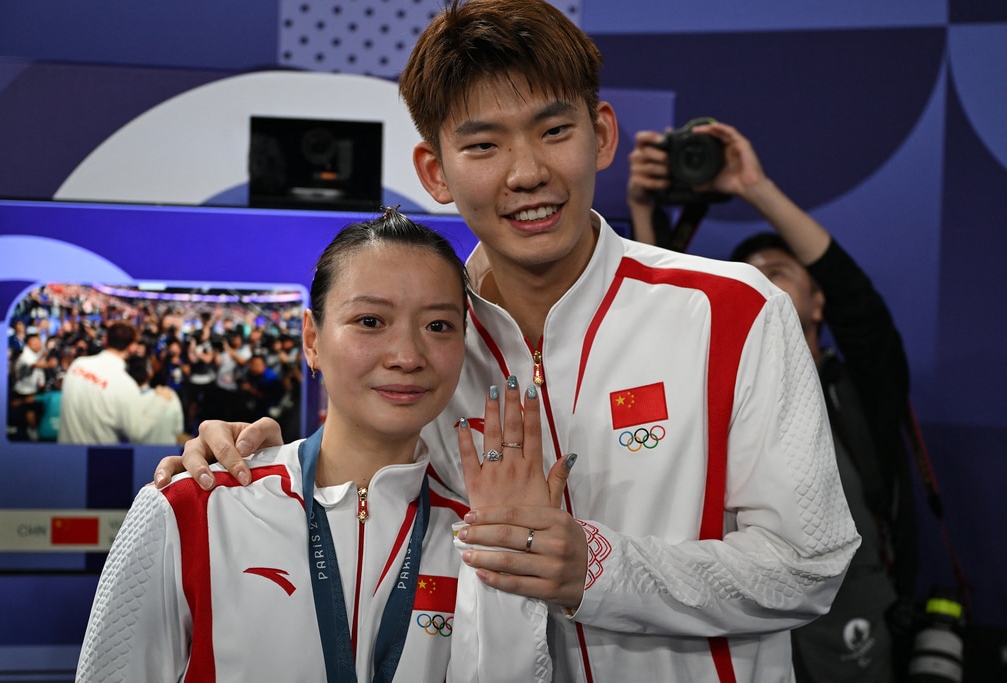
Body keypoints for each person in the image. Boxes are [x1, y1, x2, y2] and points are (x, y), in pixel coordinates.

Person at [157, 2, 860, 680]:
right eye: (484, 144)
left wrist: (595, 568)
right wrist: (251, 457)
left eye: (554, 130)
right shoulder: (427, 350)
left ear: (602, 133)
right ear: (435, 170)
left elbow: (809, 564)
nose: (527, 173)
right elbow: (361, 504)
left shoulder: (735, 312)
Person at [78, 210, 570, 682]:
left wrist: (511, 572)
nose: (406, 356)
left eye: (438, 325)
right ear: (312, 340)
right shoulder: (194, 507)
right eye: (370, 321)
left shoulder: (475, 536)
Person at [629, 120, 915, 681]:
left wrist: (753, 186)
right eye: (749, 277)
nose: (760, 287)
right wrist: (642, 213)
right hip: (742, 623)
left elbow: (859, 305)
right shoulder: (701, 387)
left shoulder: (858, 389)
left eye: (779, 274)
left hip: (850, 622)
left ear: (816, 304)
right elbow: (649, 321)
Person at [58, 321, 161, 444]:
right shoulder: (125, 385)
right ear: (132, 347)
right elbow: (137, 434)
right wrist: (159, 403)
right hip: (99, 459)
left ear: (105, 340)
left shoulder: (78, 365)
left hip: (64, 455)